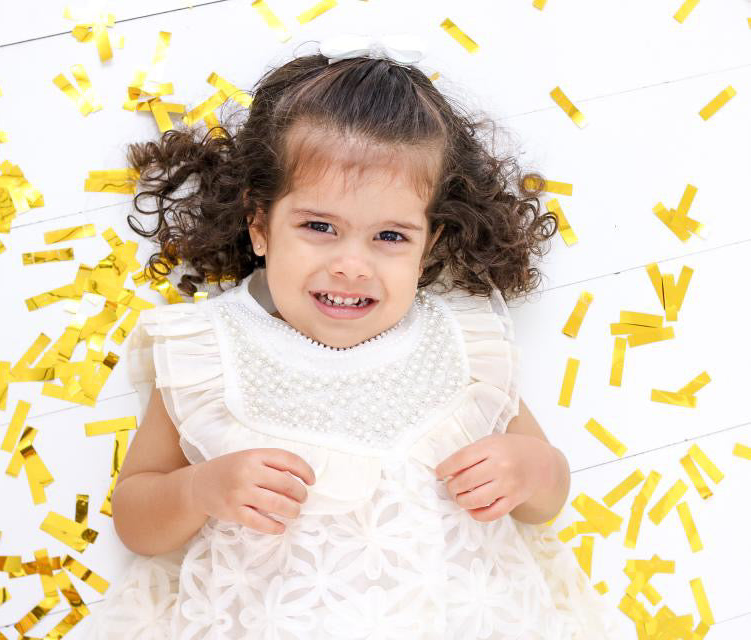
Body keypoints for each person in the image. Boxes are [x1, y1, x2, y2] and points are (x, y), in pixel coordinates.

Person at [84, 34, 630, 640]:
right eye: (320, 226)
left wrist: (532, 471)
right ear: (260, 225)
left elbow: (544, 501)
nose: (351, 264)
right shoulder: (209, 353)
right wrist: (199, 488)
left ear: (430, 245)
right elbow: (135, 516)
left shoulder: (463, 344)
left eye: (390, 237)